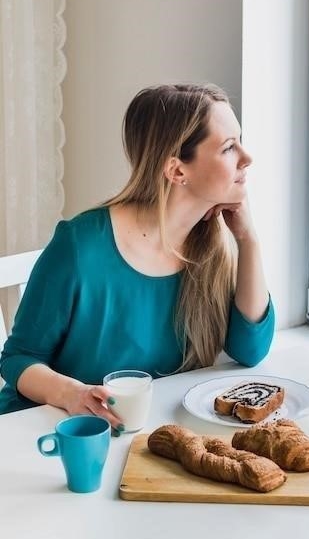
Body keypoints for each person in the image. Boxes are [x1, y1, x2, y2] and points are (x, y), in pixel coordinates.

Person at [0, 83, 275, 430]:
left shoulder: (210, 247)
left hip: (145, 434)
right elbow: (17, 358)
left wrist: (248, 239)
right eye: (228, 147)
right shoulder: (80, 246)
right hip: (51, 436)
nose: (247, 157)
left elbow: (250, 350)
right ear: (177, 171)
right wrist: (74, 394)